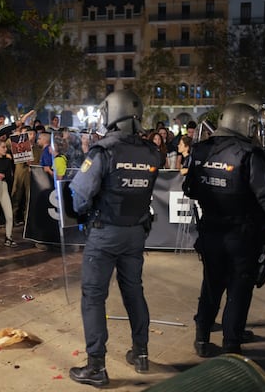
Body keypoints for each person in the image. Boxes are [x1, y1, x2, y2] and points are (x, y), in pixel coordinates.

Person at [68, 90, 161, 387]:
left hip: (105, 232)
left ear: (112, 113)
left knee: (94, 297)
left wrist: (84, 214)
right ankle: (141, 352)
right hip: (135, 233)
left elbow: (80, 195)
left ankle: (96, 367)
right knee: (134, 291)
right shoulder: (151, 152)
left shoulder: (102, 151)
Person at [182, 103, 265, 357]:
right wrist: (258, 224)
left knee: (211, 284)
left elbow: (189, 188)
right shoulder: (249, 153)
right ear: (245, 124)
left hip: (210, 230)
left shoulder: (201, 149)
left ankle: (202, 338)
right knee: (239, 287)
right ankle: (231, 342)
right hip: (241, 234)